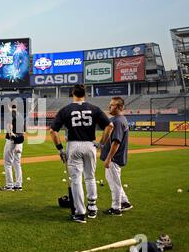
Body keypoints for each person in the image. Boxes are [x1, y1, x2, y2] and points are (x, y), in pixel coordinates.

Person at [49, 84, 114, 223]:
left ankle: (80, 213)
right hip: (90, 144)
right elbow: (110, 126)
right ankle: (92, 207)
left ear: (73, 93)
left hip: (73, 145)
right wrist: (101, 143)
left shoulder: (65, 110)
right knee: (90, 177)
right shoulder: (94, 108)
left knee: (76, 180)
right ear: (85, 94)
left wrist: (60, 149)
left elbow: (53, 131)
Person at [100, 97, 133, 216]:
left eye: (113, 105)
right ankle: (125, 202)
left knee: (115, 184)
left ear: (120, 107)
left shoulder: (118, 121)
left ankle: (116, 208)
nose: (110, 107)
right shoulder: (119, 119)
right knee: (114, 181)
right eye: (110, 104)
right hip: (116, 158)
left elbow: (116, 142)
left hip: (114, 159)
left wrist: (109, 159)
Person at [1, 104, 25, 191]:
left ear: (10, 107)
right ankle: (18, 185)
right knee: (17, 163)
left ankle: (9, 185)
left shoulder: (10, 114)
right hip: (20, 141)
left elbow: (10, 124)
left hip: (11, 140)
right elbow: (23, 131)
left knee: (7, 163)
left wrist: (11, 133)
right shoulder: (21, 116)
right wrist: (19, 143)